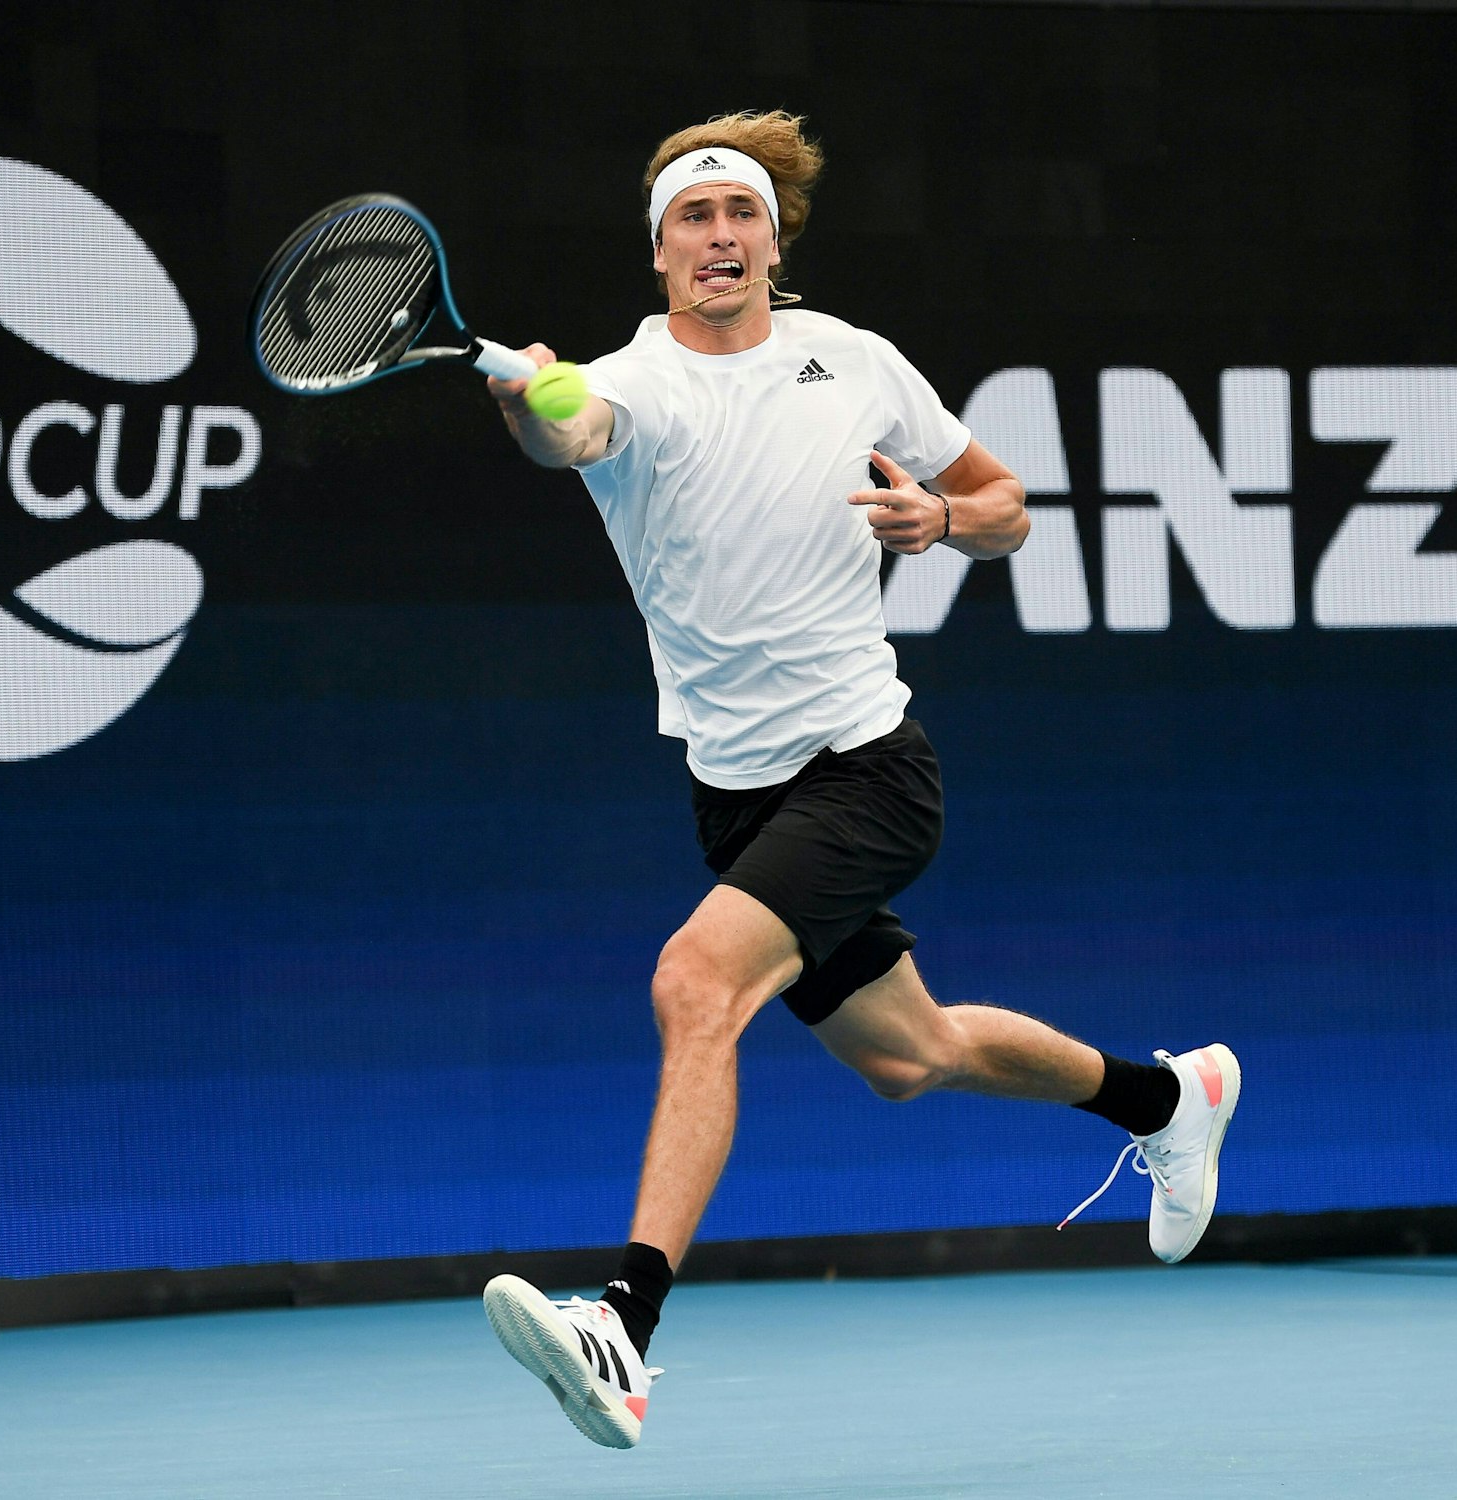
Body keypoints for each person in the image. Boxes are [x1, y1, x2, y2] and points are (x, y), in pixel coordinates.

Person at [480, 111, 1240, 1450]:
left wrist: (942, 518)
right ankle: (1170, 1100)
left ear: (777, 240)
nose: (723, 237)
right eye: (695, 220)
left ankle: (624, 1326)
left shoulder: (859, 362)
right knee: (914, 1055)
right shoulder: (631, 383)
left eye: (744, 216)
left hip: (867, 770)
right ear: (658, 253)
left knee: (693, 982)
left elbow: (1004, 504)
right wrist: (523, 400)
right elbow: (577, 435)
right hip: (739, 791)